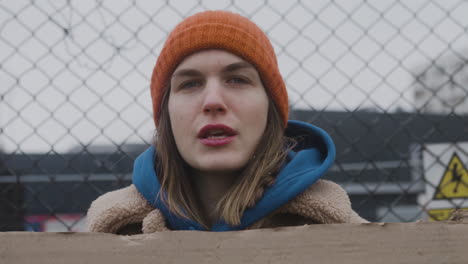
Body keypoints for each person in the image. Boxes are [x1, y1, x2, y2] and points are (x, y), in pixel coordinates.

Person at [87, 10, 367, 234]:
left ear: (270, 108)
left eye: (237, 79)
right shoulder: (114, 228)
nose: (212, 101)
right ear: (166, 114)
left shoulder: (337, 226)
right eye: (190, 83)